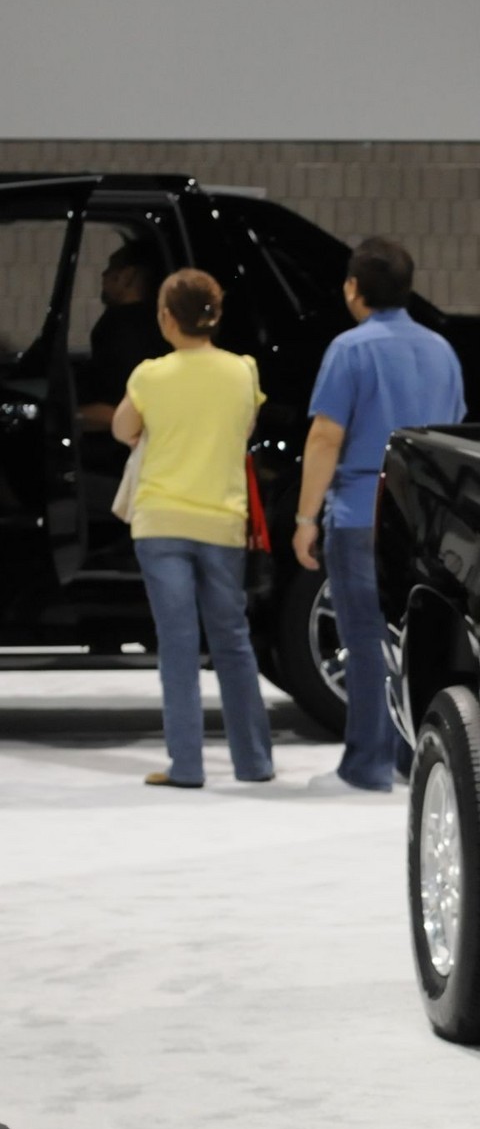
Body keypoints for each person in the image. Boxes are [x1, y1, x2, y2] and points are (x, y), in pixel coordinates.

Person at [293, 237, 463, 793]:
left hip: (363, 509)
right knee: (411, 640)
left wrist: (304, 517)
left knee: (363, 636)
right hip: (427, 517)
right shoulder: (442, 350)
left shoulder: (350, 349)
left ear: (352, 288)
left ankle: (363, 765)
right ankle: (405, 757)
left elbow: (324, 437)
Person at [111, 268, 276, 789]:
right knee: (232, 640)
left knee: (177, 643)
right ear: (216, 314)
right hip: (223, 522)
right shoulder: (243, 372)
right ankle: (254, 761)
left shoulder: (149, 376)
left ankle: (186, 764)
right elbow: (245, 427)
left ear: (165, 317)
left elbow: (123, 428)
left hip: (160, 523)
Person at [80, 241, 168, 430]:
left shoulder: (123, 327)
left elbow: (118, 405)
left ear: (127, 276)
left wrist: (71, 417)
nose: (104, 275)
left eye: (111, 269)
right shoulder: (155, 321)